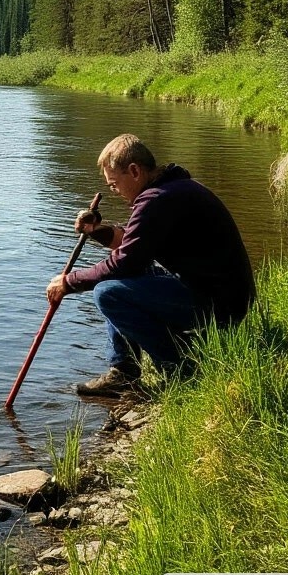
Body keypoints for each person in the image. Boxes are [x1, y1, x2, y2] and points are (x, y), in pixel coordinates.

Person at [45, 133, 255, 396]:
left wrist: (68, 282)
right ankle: (125, 371)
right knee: (127, 278)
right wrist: (96, 230)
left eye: (114, 184)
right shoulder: (170, 189)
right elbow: (131, 246)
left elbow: (124, 262)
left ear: (134, 171)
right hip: (221, 294)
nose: (114, 191)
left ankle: (180, 368)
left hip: (219, 305)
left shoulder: (158, 199)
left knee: (108, 293)